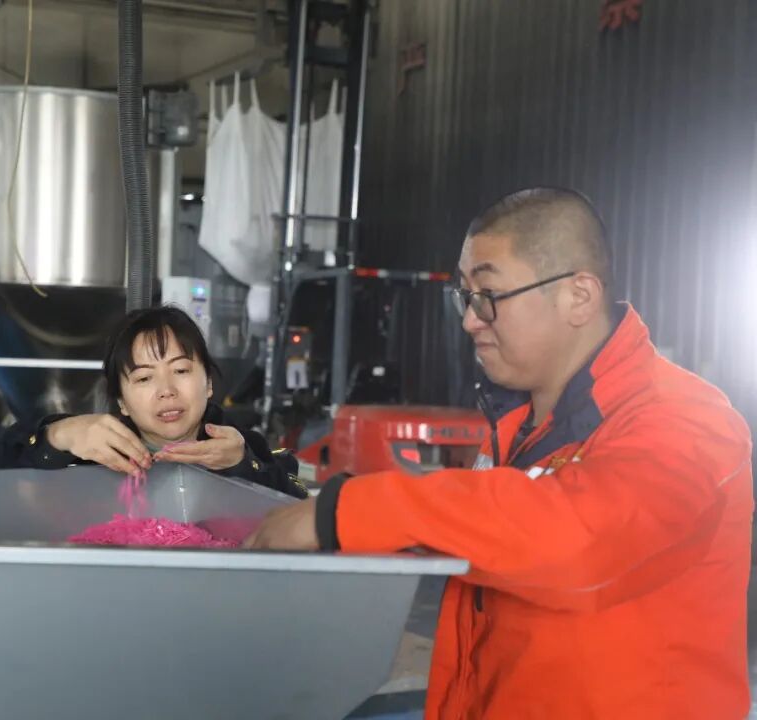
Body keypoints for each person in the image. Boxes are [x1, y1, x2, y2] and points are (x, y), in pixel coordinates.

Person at [245, 188, 754, 718]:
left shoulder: (685, 421)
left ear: (579, 296)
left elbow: (578, 538)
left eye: (488, 294)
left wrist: (346, 513)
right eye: (465, 296)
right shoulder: (514, 424)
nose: (470, 320)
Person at [0, 305, 306, 498]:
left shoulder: (244, 447)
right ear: (121, 402)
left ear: (208, 383)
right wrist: (57, 435)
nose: (166, 390)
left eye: (181, 370)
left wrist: (243, 466)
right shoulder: (92, 455)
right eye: (144, 378)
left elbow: (299, 505)